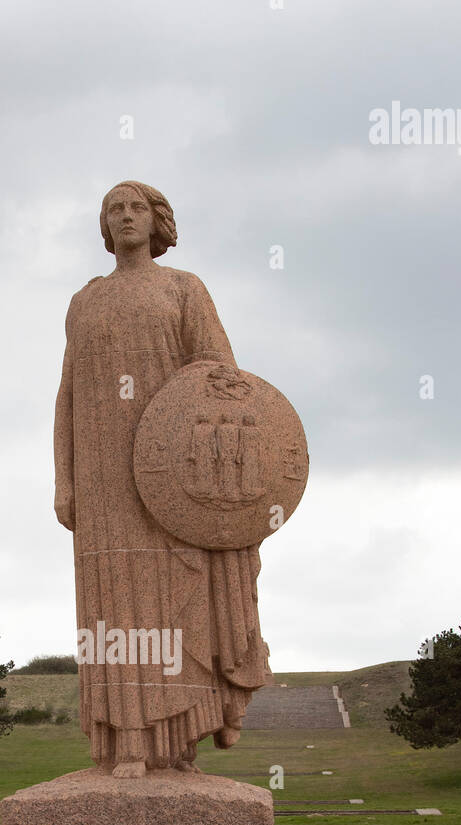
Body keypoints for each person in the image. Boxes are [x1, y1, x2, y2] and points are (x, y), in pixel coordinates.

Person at [54, 180, 271, 778]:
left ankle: (181, 740)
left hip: (170, 473)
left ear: (156, 223)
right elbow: (68, 393)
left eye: (136, 208)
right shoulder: (84, 301)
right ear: (105, 226)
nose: (125, 217)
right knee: (114, 607)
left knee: (181, 601)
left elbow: (220, 378)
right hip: (102, 474)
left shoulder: (183, 289)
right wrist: (64, 479)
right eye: (113, 210)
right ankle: (127, 736)